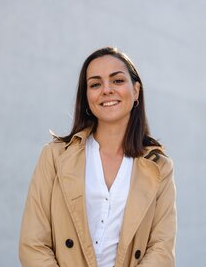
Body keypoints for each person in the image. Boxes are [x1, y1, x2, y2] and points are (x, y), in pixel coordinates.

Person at [19, 47, 177, 267]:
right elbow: (33, 244)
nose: (106, 90)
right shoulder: (54, 156)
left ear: (136, 91)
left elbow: (161, 249)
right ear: (87, 97)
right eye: (95, 84)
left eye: (118, 81)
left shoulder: (159, 166)